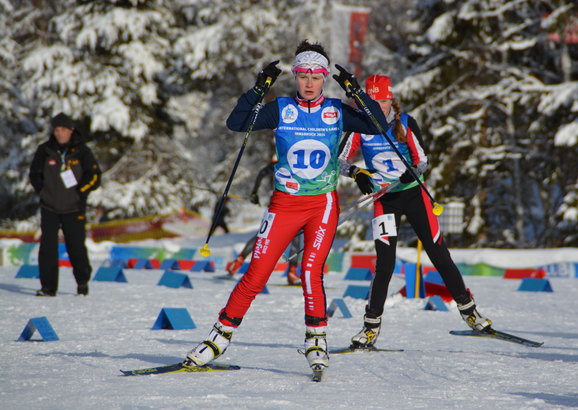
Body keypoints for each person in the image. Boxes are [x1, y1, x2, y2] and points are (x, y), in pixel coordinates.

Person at [184, 40, 386, 372]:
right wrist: (258, 88)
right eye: (302, 75)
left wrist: (357, 92)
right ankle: (217, 340)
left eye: (316, 76)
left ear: (324, 78)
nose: (308, 83)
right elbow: (237, 123)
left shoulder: (336, 110)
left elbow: (378, 125)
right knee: (257, 273)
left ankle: (316, 340)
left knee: (310, 271)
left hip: (321, 205)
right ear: (295, 77)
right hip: (284, 203)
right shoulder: (281, 109)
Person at [338, 75, 492, 349]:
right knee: (384, 263)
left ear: (391, 99)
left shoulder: (405, 123)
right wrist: (357, 172)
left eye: (384, 100)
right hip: (384, 199)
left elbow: (422, 161)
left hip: (413, 194)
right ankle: (370, 327)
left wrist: (412, 173)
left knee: (438, 253)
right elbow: (339, 160)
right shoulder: (358, 127)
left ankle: (470, 312)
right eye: (373, 101)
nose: (380, 106)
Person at [29, 113, 102, 296]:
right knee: (47, 248)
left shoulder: (82, 151)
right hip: (49, 207)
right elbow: (34, 174)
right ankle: (48, 287)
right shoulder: (44, 150)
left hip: (74, 208)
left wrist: (80, 192)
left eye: (63, 130)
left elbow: (94, 176)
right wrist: (43, 192)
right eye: (57, 130)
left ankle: (82, 282)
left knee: (76, 247)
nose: (60, 133)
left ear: (71, 131)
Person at [225, 155, 303, 286]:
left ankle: (236, 264)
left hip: (283, 206)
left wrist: (254, 193)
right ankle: (292, 273)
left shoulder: (284, 160)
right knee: (292, 237)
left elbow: (262, 172)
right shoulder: (291, 162)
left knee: (264, 236)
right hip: (284, 206)